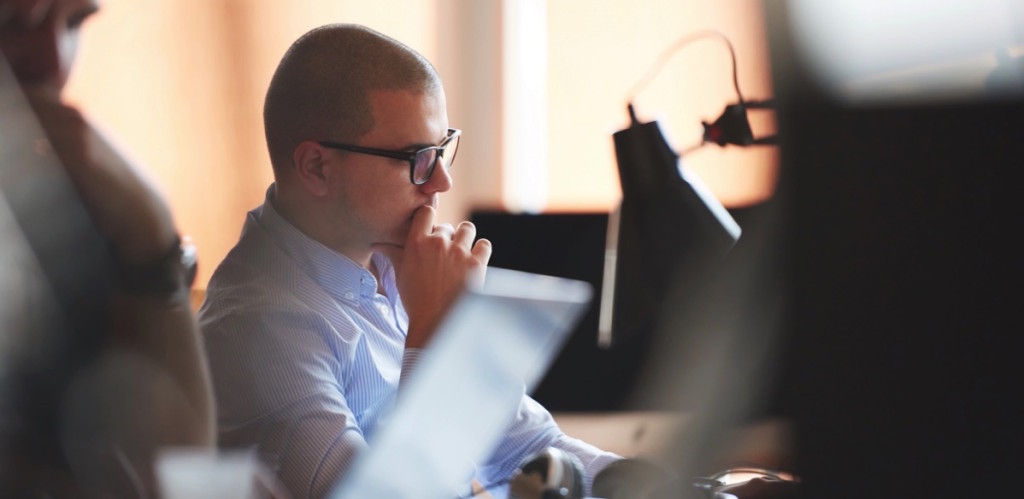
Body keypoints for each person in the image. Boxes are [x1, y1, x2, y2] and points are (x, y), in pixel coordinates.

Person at [199, 23, 621, 499]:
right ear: (317, 166)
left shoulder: (396, 265)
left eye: (443, 149)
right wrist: (436, 334)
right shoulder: (259, 329)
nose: (441, 182)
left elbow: (530, 445)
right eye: (418, 157)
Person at [0, 0, 215, 496]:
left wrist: (154, 243)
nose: (54, 63)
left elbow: (169, 473)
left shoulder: (57, 214)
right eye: (13, 21)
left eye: (75, 21)